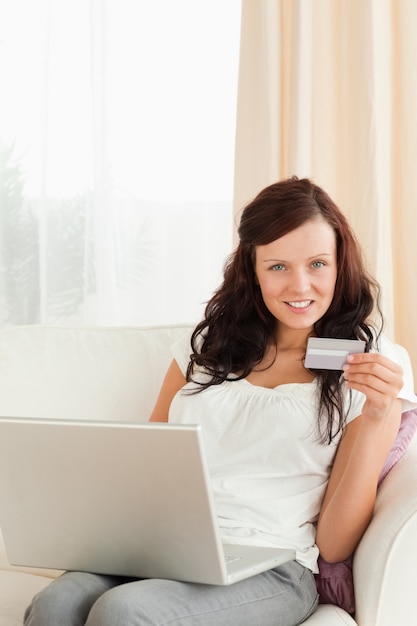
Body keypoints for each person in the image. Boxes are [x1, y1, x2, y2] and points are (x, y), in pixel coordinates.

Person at [24, 177, 416, 626]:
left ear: (339, 265)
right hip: (168, 549)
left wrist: (378, 416)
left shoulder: (371, 365)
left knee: (126, 610)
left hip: (273, 566)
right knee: (56, 603)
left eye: (317, 264)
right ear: (252, 269)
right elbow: (148, 464)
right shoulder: (208, 346)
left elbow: (335, 544)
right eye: (278, 267)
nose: (299, 285)